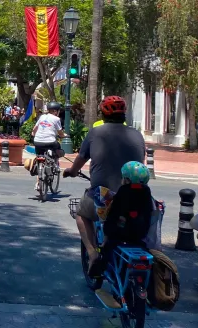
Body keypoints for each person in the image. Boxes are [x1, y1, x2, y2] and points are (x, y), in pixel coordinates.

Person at [62, 96, 146, 273]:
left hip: (105, 197)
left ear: (103, 114)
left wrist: (72, 171)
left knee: (81, 214)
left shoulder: (95, 133)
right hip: (136, 197)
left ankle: (93, 254)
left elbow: (80, 159)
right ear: (124, 114)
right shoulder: (137, 134)